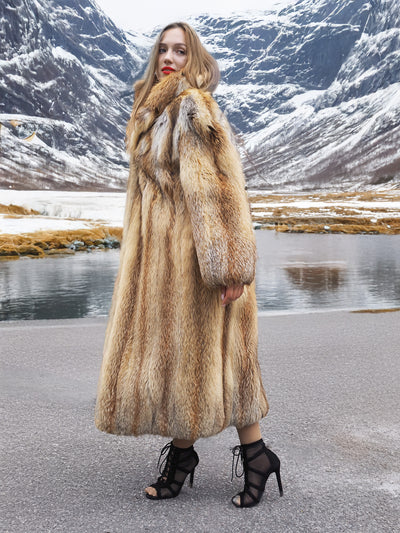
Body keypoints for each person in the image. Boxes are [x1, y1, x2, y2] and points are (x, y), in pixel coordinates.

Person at [95, 22, 283, 508]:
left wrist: (229, 268)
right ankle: (212, 457)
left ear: (194, 58)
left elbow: (216, 190)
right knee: (197, 361)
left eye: (181, 50)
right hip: (163, 264)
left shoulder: (190, 108)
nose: (169, 57)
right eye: (163, 48)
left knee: (218, 360)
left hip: (197, 264)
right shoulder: (149, 110)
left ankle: (221, 459)